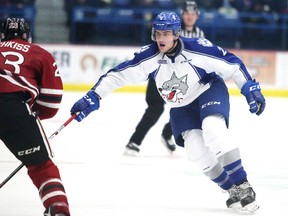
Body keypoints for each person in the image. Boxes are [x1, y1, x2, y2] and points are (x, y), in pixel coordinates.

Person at [70, 11, 265, 211]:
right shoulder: (149, 57)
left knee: (212, 129)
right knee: (195, 150)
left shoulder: (197, 48)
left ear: (176, 34)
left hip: (208, 90)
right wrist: (94, 95)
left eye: (166, 34)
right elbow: (118, 76)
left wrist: (249, 87)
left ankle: (244, 185)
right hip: (180, 105)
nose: (161, 38)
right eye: (158, 33)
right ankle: (232, 189)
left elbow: (232, 64)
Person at [0, 18, 70, 216]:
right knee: (41, 166)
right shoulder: (40, 53)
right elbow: (51, 102)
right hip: (14, 109)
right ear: (27, 36)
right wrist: (28, 118)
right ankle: (58, 209)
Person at [124, 1, 205, 156]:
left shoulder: (199, 34)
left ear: (197, 16)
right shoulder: (168, 28)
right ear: (182, 14)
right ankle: (134, 142)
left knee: (189, 108)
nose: (189, 16)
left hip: (183, 78)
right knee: (155, 108)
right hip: (160, 73)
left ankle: (167, 134)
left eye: (192, 13)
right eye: (187, 13)